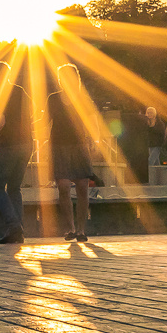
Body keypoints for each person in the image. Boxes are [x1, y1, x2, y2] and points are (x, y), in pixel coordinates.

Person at [49, 64, 96, 242]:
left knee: (83, 187)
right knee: (63, 187)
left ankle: (81, 230)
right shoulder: (53, 99)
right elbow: (45, 122)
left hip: (79, 145)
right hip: (58, 146)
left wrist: (95, 140)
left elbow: (91, 120)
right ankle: (70, 228)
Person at [0, 61, 31, 245]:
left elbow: (0, 121)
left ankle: (14, 225)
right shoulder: (21, 91)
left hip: (9, 145)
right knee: (14, 188)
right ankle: (17, 231)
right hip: (26, 144)